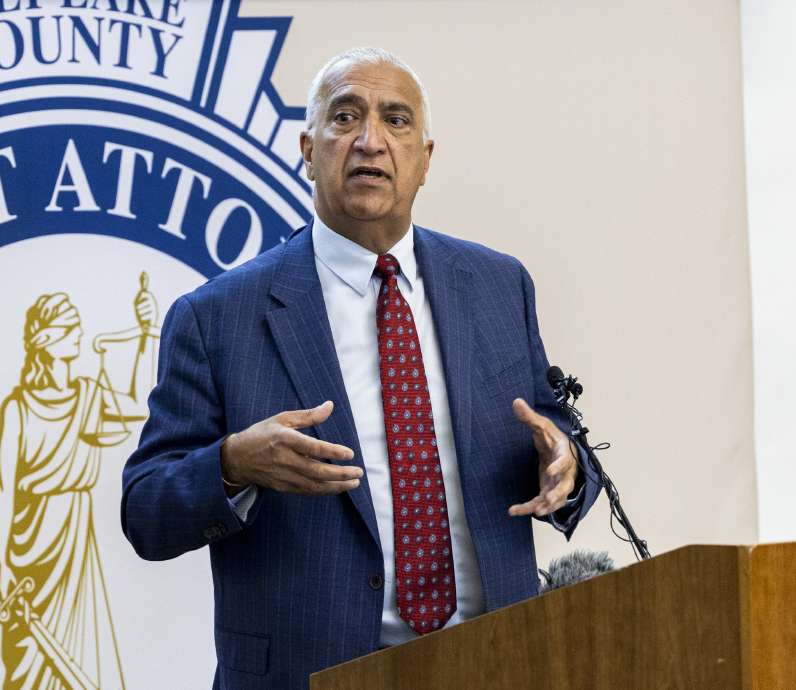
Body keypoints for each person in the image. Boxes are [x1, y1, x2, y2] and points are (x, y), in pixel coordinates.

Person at [121, 47, 602, 688]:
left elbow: (552, 434)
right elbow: (147, 510)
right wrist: (232, 463)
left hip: (495, 663)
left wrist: (564, 463)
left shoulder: (498, 285)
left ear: (425, 160)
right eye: (345, 117)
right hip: (308, 673)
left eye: (396, 121)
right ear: (308, 148)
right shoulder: (218, 318)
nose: (370, 141)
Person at [0, 285, 158, 690]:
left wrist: (148, 332)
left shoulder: (86, 396)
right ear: (47, 340)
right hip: (31, 549)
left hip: (75, 544)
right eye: (69, 327)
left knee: (79, 652)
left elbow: (142, 402)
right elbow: (3, 491)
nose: (79, 332)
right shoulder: (18, 408)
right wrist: (2, 563)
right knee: (28, 659)